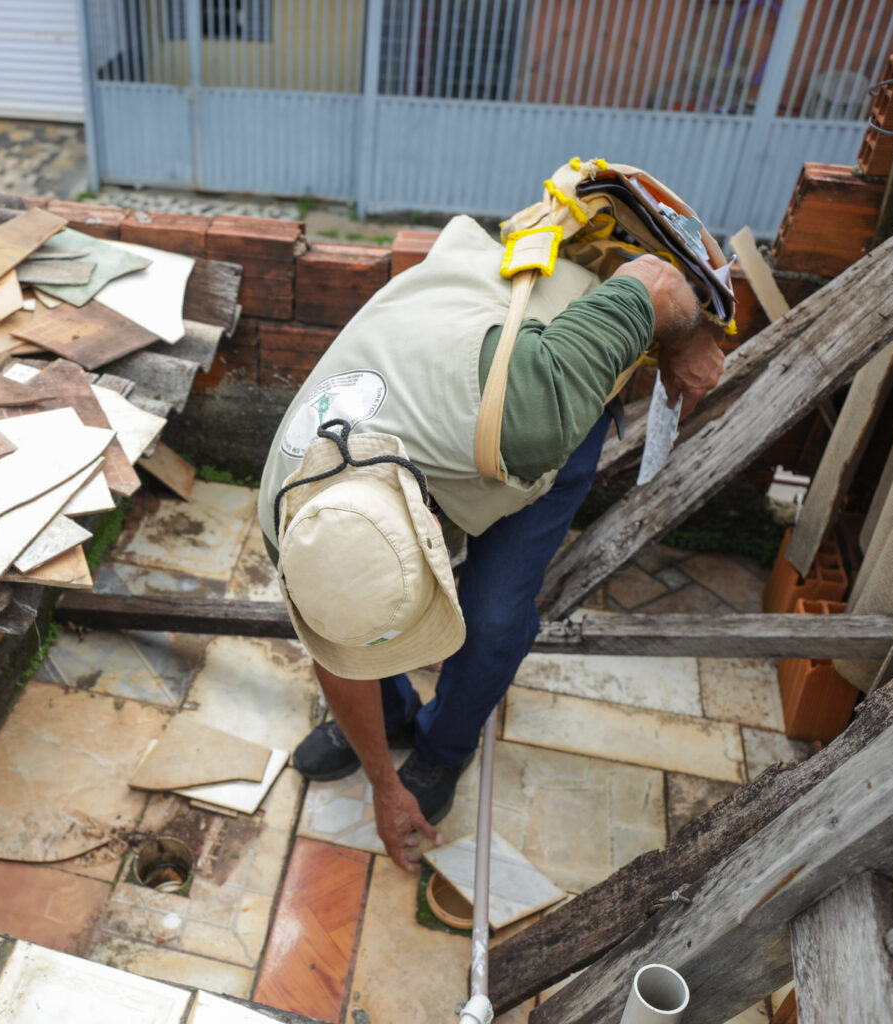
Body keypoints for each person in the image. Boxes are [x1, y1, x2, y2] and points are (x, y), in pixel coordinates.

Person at [257, 161, 732, 871]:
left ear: (431, 533)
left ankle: (446, 746)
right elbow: (336, 630)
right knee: (360, 602)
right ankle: (384, 728)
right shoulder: (289, 519)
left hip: (528, 378)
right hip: (443, 358)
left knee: (495, 615)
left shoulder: (532, 416)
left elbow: (655, 281)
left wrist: (687, 342)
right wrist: (382, 784)